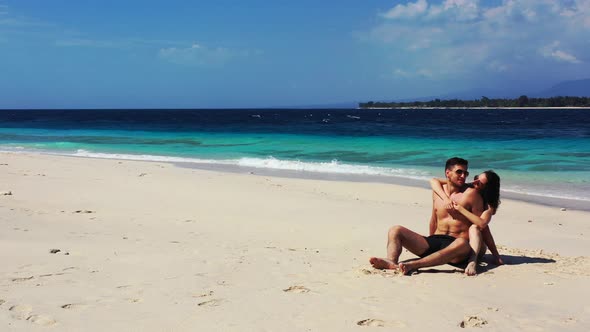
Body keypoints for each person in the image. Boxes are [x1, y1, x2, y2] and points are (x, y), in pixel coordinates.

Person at [369, 157, 484, 275]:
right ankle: (391, 261)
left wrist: (476, 257)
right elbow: (434, 218)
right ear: (447, 173)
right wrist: (429, 241)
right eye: (459, 172)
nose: (463, 176)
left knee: (461, 243)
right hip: (436, 240)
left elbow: (480, 226)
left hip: (458, 248)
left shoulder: (471, 194)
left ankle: (414, 265)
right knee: (395, 230)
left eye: (466, 173)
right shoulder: (438, 192)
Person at [430, 170, 502, 275]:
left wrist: (496, 256)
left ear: (487, 188)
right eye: (476, 178)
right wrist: (445, 199)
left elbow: (483, 226)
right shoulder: (468, 187)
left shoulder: (489, 206)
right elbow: (433, 180)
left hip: (476, 245)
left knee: (474, 227)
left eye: (479, 183)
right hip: (459, 244)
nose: (474, 182)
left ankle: (472, 261)